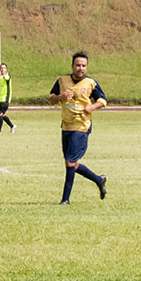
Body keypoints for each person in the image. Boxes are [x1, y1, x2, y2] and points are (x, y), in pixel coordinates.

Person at [48, 51, 108, 205]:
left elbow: (103, 100)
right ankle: (98, 179)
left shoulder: (90, 83)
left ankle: (65, 200)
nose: (80, 68)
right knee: (72, 164)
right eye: (78, 65)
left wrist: (92, 107)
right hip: (66, 125)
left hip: (81, 126)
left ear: (86, 67)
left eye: (83, 66)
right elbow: (51, 98)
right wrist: (60, 97)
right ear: (72, 66)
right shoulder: (62, 80)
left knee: (69, 162)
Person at [0, 63, 16, 134]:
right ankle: (12, 126)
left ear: (6, 69)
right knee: (2, 115)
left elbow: (7, 78)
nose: (3, 69)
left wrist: (3, 76)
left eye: (4, 68)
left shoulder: (7, 76)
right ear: (0, 69)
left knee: (0, 114)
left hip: (5, 99)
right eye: (1, 68)